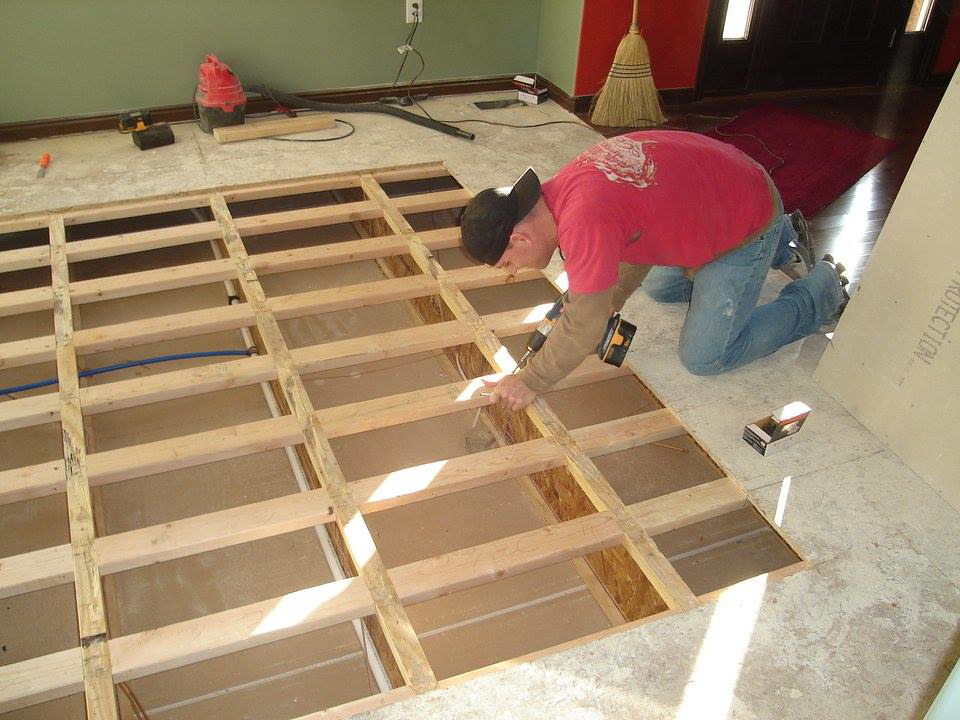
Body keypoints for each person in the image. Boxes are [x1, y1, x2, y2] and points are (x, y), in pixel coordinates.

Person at [459, 130, 848, 411]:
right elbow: (628, 244)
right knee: (662, 289)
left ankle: (821, 291)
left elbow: (584, 325)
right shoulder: (563, 191)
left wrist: (531, 380)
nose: (512, 272)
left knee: (706, 356)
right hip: (723, 184)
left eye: (507, 264)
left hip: (748, 214)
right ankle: (782, 240)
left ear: (520, 240)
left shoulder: (582, 222)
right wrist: (602, 298)